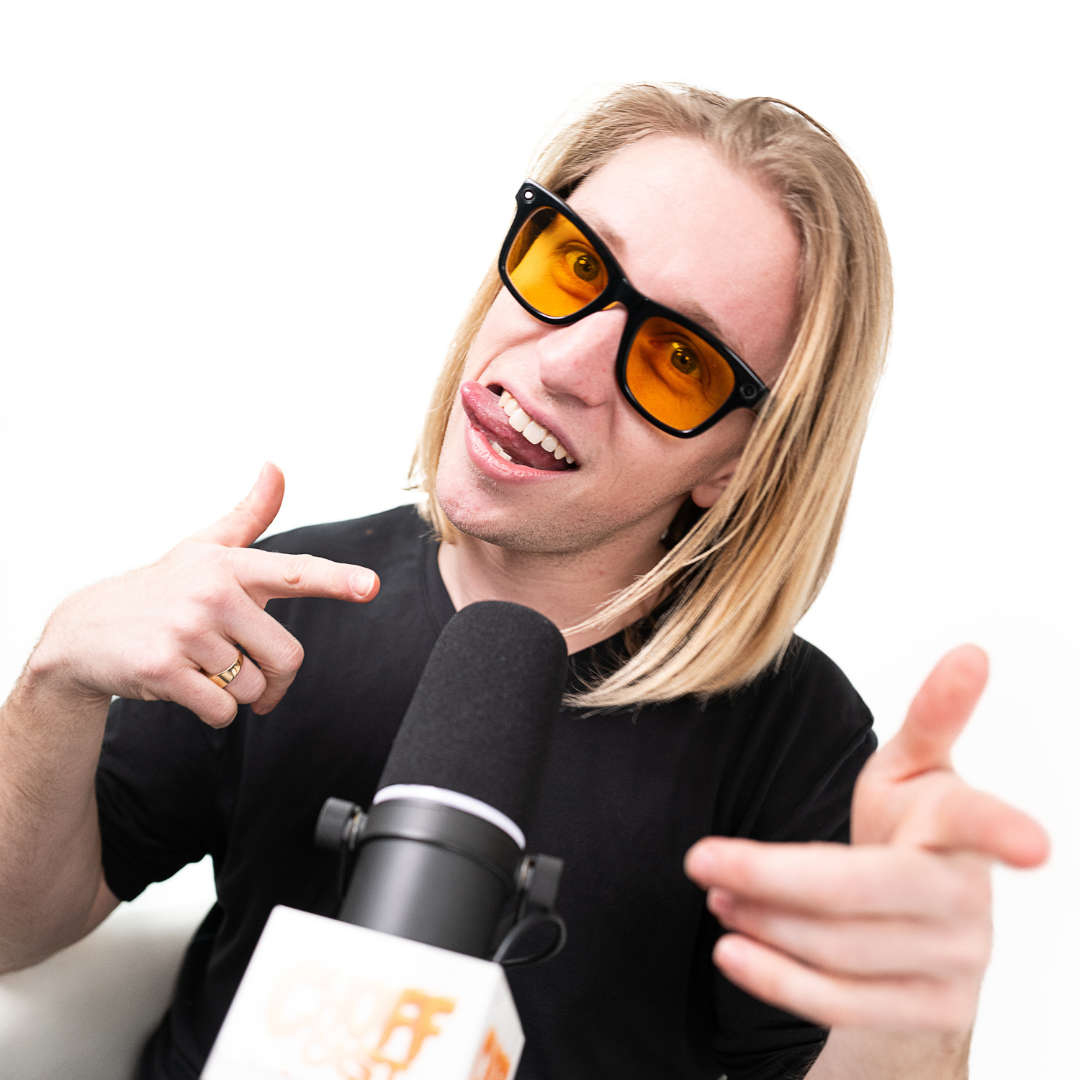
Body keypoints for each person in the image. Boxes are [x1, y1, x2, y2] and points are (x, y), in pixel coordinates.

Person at [0, 84, 1050, 1079]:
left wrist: (911, 1022)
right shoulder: (283, 607)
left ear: (737, 464)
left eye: (681, 359)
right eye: (575, 265)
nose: (563, 365)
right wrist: (55, 683)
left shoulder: (789, 738)